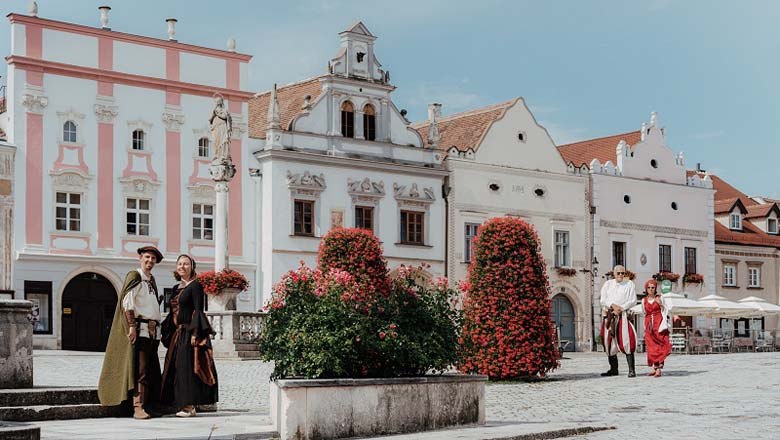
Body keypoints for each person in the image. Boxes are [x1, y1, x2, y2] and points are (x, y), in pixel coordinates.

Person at [98, 246, 164, 419]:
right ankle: (137, 407)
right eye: (147, 257)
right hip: (140, 329)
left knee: (150, 370)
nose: (150, 261)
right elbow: (127, 303)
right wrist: (132, 326)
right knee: (140, 370)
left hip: (152, 331)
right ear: (140, 258)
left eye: (153, 259)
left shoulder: (151, 280)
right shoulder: (135, 276)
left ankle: (149, 405)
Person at [160, 254, 218, 417]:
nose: (182, 266)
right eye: (179, 264)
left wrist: (195, 333)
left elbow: (198, 311)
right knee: (175, 368)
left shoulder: (196, 286)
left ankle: (189, 406)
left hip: (189, 333)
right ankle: (177, 403)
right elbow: (172, 312)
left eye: (186, 264)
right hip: (177, 334)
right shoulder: (175, 288)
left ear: (192, 267)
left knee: (187, 369)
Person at [599, 265, 638, 378]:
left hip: (623, 315)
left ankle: (631, 370)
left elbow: (633, 300)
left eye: (623, 273)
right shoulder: (608, 284)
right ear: (614, 274)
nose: (621, 275)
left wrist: (621, 308)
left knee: (627, 340)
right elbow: (603, 299)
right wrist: (612, 306)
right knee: (609, 341)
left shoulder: (629, 284)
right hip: (610, 314)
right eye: (618, 273)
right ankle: (613, 368)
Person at [643, 279, 672, 377]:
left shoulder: (660, 298)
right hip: (649, 325)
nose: (651, 289)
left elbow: (666, 310)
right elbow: (644, 313)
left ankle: (659, 368)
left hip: (658, 323)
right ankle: (655, 367)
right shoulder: (644, 300)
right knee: (651, 347)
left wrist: (660, 303)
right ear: (646, 289)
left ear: (655, 288)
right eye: (649, 287)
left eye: (653, 287)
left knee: (660, 346)